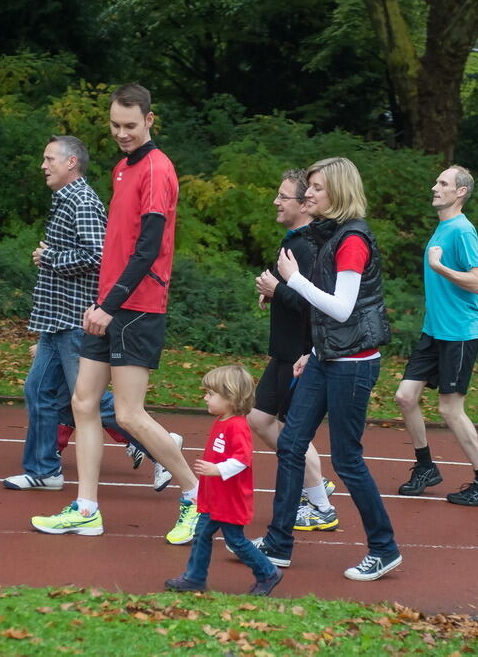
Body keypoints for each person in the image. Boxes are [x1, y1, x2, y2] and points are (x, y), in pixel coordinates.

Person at [31, 84, 196, 544]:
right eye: (115, 125)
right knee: (83, 403)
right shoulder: (122, 168)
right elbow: (117, 245)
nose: (122, 134)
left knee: (127, 414)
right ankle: (86, 508)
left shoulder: (159, 170)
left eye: (130, 125)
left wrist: (108, 304)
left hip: (137, 306)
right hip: (109, 303)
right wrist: (101, 301)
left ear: (149, 120)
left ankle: (197, 493)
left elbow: (147, 249)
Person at [252, 156, 401, 582]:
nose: (309, 194)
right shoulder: (330, 234)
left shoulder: (352, 239)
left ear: (337, 191)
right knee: (291, 444)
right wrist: (312, 349)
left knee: (348, 459)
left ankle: (384, 548)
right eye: (309, 187)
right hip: (324, 357)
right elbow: (329, 313)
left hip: (353, 366)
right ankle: (279, 544)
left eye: (316, 187)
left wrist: (292, 280)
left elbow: (342, 307)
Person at [1, 136, 158, 491]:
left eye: (49, 158)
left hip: (75, 318)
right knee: (38, 391)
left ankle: (159, 447)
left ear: (71, 162)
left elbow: (99, 254)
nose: (43, 165)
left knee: (88, 400)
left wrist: (50, 257)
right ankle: (44, 470)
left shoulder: (82, 200)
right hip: (56, 318)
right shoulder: (65, 199)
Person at [394, 165, 478, 506]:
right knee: (406, 397)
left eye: (443, 183)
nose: (434, 187)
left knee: (450, 410)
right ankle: (425, 467)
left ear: (461, 192)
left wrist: (440, 268)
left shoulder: (462, 231)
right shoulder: (442, 228)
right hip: (434, 332)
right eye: (436, 181)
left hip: (459, 334)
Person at [253, 169, 336, 531]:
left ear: (303, 204)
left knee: (291, 432)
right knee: (259, 419)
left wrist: (278, 292)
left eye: (283, 196)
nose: (276, 201)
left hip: (302, 355)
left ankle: (319, 501)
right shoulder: (294, 240)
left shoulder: (308, 245)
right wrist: (269, 291)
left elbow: (318, 305)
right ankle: (313, 481)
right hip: (284, 352)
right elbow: (288, 288)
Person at [165, 365, 283, 596]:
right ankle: (194, 578)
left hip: (229, 500)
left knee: (236, 541)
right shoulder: (222, 420)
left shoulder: (237, 426)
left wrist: (216, 469)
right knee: (201, 534)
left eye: (210, 393)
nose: (205, 398)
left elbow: (242, 460)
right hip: (214, 498)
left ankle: (268, 572)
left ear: (230, 396)